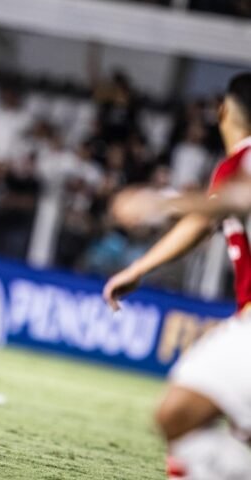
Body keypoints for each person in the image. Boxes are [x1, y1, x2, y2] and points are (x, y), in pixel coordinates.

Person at [104, 73, 251, 479]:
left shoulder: (246, 161)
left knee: (178, 414)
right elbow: (205, 221)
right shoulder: (234, 167)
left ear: (223, 110)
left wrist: (161, 201)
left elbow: (238, 198)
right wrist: (139, 268)